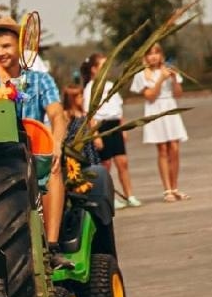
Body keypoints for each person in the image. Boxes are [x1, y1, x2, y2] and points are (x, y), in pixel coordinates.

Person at [0, 16, 66, 249]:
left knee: (53, 168)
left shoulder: (40, 80)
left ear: (19, 47)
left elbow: (57, 114)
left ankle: (52, 244)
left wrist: (56, 143)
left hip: (33, 151)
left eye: (6, 46)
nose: (0, 53)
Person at [130, 43, 189, 201]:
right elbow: (150, 96)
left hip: (170, 106)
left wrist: (174, 79)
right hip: (155, 109)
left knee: (175, 148)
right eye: (150, 53)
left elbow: (178, 94)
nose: (153, 56)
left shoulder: (169, 69)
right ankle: (167, 189)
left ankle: (175, 186)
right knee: (162, 149)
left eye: (156, 52)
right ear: (145, 57)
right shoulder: (142, 74)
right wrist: (160, 80)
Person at [81, 52, 140, 209]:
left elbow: (118, 109)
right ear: (94, 69)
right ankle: (110, 197)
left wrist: (123, 128)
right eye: (102, 66)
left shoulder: (110, 85)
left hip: (115, 126)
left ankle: (130, 195)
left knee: (123, 162)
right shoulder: (90, 88)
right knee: (106, 165)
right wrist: (95, 134)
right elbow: (89, 114)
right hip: (101, 127)